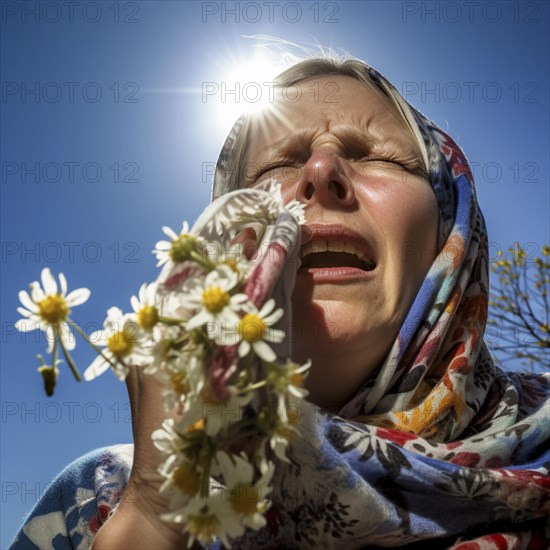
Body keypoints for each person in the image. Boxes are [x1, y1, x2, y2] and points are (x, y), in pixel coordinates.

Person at [11, 55, 550, 549]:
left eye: (374, 154)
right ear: (223, 243)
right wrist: (154, 516)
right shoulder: (94, 502)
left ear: (452, 233)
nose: (320, 173)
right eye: (276, 168)